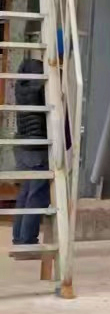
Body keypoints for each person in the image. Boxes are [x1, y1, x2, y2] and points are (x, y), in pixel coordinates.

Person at [10, 57, 49, 247]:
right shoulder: (40, 88)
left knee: (25, 193)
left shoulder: (21, 87)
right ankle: (27, 240)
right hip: (37, 146)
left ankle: (18, 237)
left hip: (22, 145)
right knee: (37, 195)